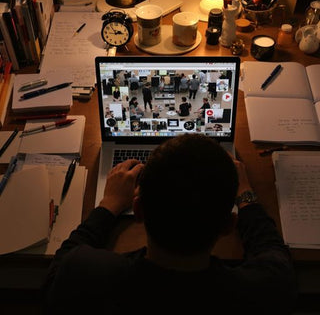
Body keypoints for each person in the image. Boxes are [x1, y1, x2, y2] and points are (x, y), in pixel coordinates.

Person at [43, 134, 297, 315]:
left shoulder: (84, 275)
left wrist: (109, 204)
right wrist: (246, 196)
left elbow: (60, 266)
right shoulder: (266, 291)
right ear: (229, 225)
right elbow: (272, 250)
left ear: (139, 209)